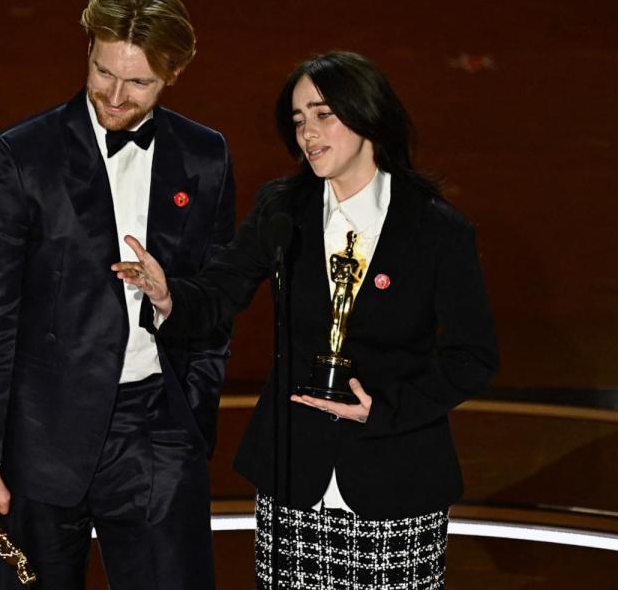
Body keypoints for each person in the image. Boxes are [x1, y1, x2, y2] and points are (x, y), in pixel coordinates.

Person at [114, 51, 498, 589]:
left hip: (396, 476)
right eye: (298, 121)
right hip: (294, 474)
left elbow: (473, 356)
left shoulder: (437, 230)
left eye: (323, 115)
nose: (308, 134)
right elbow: (223, 287)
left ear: (367, 116)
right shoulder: (283, 208)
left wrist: (383, 409)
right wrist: (170, 297)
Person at [0, 0, 235, 590]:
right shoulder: (20, 157)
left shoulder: (207, 157)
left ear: (175, 72)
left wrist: (193, 417)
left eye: (138, 83)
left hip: (155, 429)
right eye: (103, 71)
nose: (113, 94)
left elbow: (217, 296)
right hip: (39, 437)